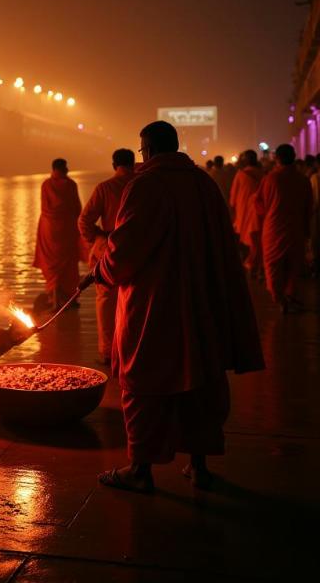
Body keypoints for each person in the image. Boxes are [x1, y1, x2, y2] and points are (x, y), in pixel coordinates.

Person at [85, 121, 264, 493]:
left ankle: (140, 469)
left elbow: (123, 251)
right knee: (199, 380)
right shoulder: (204, 184)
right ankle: (198, 467)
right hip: (202, 301)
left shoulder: (145, 185)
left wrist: (100, 269)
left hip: (154, 305)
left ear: (146, 150)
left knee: (142, 382)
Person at [77, 148, 135, 364]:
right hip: (139, 249)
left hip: (110, 249)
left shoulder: (105, 188)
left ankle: (109, 352)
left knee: (106, 302)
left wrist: (97, 239)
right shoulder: (144, 185)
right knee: (137, 301)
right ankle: (133, 350)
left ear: (114, 165)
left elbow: (84, 221)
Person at [254, 143, 313, 314]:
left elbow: (258, 203)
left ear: (276, 159)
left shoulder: (270, 179)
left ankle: (279, 298)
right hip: (296, 228)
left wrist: (267, 214)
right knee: (294, 265)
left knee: (273, 265)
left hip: (273, 228)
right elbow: (309, 207)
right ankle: (289, 294)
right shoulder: (303, 180)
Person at [33, 158, 83, 309]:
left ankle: (55, 301)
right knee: (68, 265)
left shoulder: (46, 185)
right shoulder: (70, 184)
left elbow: (44, 208)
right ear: (63, 169)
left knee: (52, 266)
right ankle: (70, 299)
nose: (67, 170)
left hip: (48, 229)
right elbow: (77, 209)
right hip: (67, 229)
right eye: (66, 168)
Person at [229, 149, 265, 278]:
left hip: (243, 214)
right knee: (257, 241)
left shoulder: (241, 174)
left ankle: (249, 265)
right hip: (259, 214)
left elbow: (233, 199)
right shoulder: (263, 174)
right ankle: (256, 266)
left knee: (246, 242)